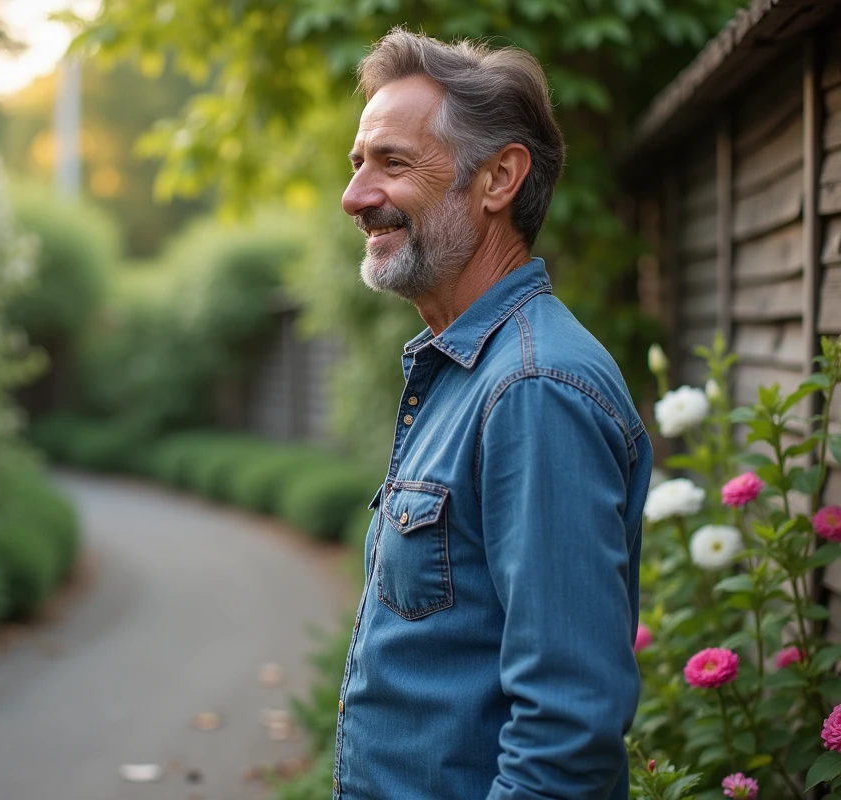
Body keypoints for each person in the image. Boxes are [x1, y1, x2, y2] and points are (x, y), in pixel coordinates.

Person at [333, 28, 651, 800]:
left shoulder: (533, 390)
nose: (355, 196)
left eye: (393, 162)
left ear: (499, 178)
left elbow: (566, 735)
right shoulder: (467, 372)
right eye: (357, 164)